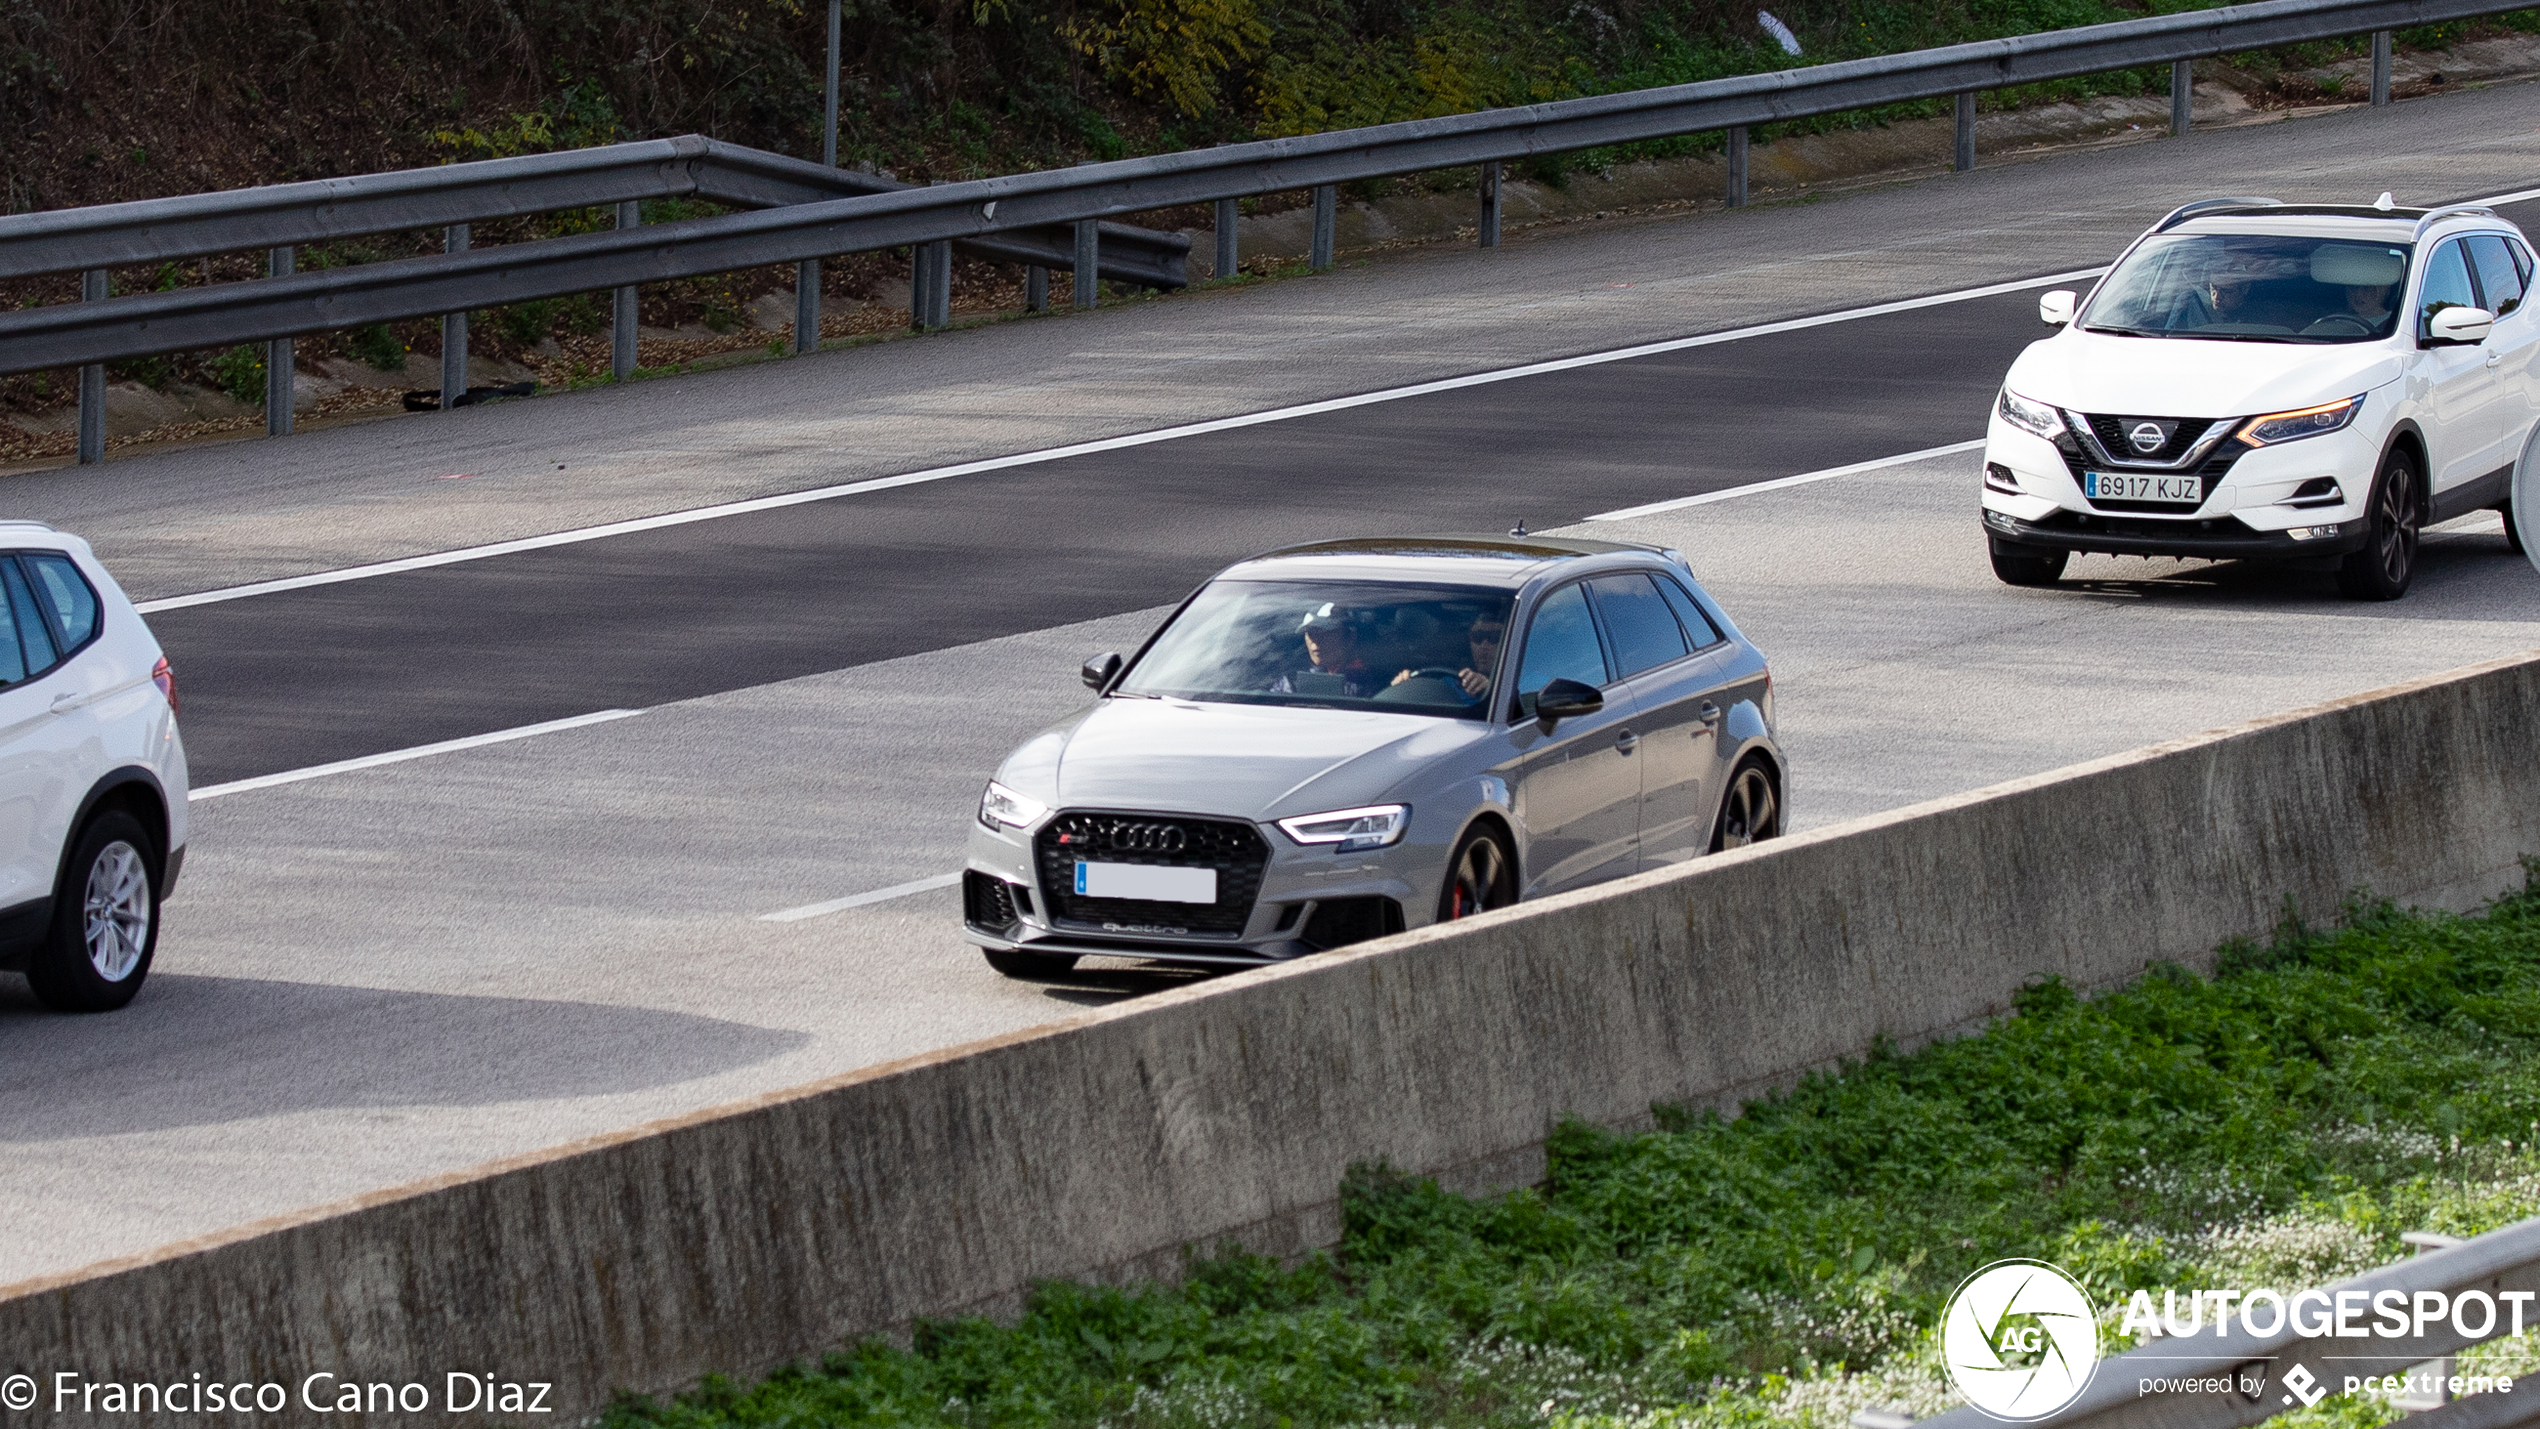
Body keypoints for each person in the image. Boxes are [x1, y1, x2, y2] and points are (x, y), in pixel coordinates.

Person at [1391, 611, 1506, 704]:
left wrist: (1491, 690)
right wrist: (1399, 690)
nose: (1484, 645)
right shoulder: (1446, 681)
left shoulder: (1516, 679)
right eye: (1478, 636)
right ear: (1470, 640)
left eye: (1494, 637)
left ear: (1507, 641)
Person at [1274, 604, 1381, 698]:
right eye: (1310, 632)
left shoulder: (1367, 680)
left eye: (1326, 632)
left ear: (1350, 637)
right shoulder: (1291, 677)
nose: (1315, 640)